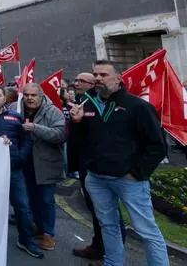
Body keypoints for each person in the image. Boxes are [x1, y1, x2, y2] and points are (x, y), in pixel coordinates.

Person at [69, 61, 169, 266]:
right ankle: (113, 263)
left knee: (147, 231)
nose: (98, 78)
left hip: (129, 180)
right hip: (97, 179)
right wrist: (77, 123)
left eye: (104, 74)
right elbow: (81, 142)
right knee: (108, 225)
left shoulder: (138, 106)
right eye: (95, 74)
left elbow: (157, 146)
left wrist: (137, 173)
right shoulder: (87, 105)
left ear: (118, 79)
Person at [0, 84, 44, 259]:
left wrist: (20, 156)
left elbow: (26, 140)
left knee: (22, 207)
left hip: (13, 169)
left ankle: (26, 240)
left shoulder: (16, 117)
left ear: (4, 98)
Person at [69, 72, 125, 260]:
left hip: (104, 166)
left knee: (109, 213)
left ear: (93, 85)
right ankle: (99, 246)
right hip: (85, 163)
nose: (76, 83)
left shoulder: (101, 104)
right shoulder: (82, 102)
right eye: (76, 80)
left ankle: (112, 253)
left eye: (81, 81)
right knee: (94, 208)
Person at [19, 82, 65, 251]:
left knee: (46, 200)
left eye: (33, 95)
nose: (29, 98)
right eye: (26, 95)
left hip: (46, 162)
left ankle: (48, 234)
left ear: (41, 96)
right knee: (30, 198)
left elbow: (60, 135)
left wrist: (35, 128)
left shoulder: (53, 112)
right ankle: (38, 226)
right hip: (25, 163)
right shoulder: (17, 109)